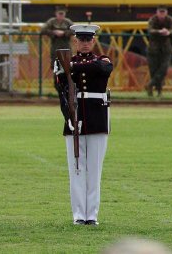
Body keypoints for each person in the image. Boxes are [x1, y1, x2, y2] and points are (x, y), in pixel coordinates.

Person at [54, 24, 113, 226]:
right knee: (77, 168)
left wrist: (71, 67)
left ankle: (92, 215)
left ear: (93, 41)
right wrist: (68, 117)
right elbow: (61, 91)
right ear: (75, 41)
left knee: (94, 170)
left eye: (89, 40)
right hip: (75, 117)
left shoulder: (101, 60)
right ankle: (79, 214)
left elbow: (102, 70)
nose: (86, 43)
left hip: (97, 118)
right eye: (82, 40)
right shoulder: (66, 62)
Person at [41, 5, 74, 91]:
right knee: (56, 67)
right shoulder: (52, 22)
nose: (61, 16)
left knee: (68, 67)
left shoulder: (68, 22)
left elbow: (74, 30)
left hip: (66, 47)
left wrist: (64, 33)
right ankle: (57, 87)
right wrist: (53, 33)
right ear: (56, 14)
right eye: (59, 14)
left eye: (62, 14)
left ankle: (68, 87)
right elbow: (43, 30)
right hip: (55, 48)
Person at [145, 5, 172, 97]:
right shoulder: (152, 20)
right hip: (153, 49)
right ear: (157, 12)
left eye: (163, 12)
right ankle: (157, 91)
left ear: (166, 13)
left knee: (163, 69)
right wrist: (159, 32)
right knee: (153, 70)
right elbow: (150, 30)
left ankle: (150, 84)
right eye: (160, 12)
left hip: (166, 49)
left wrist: (168, 32)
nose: (162, 14)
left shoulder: (170, 20)